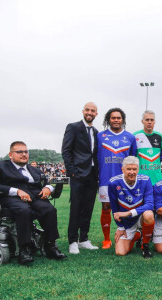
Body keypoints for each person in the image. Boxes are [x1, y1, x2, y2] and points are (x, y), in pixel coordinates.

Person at [0, 141, 66, 265]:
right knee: (24, 210)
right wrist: (17, 191)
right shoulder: (1, 166)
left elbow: (46, 183)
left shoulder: (34, 170)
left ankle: (50, 246)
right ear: (10, 155)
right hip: (12, 198)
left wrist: (47, 188)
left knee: (50, 210)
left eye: (26, 152)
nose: (24, 154)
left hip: (35, 197)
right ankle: (24, 250)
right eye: (19, 152)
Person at [62, 102, 99, 254]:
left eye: (93, 111)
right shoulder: (73, 127)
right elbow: (66, 150)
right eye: (88, 110)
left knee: (88, 208)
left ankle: (83, 239)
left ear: (96, 114)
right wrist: (72, 171)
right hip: (78, 174)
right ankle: (72, 241)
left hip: (92, 174)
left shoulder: (97, 132)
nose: (90, 112)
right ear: (83, 111)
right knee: (76, 208)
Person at [97, 107, 137, 249]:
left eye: (118, 118)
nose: (116, 120)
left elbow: (133, 159)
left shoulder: (130, 137)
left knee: (128, 206)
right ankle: (106, 239)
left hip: (125, 180)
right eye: (113, 118)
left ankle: (131, 234)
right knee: (106, 207)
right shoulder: (100, 136)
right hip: (105, 177)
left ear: (123, 120)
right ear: (108, 119)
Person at [108, 156, 154, 258]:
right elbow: (114, 208)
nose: (132, 172)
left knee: (149, 214)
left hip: (140, 217)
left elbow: (150, 205)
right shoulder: (113, 183)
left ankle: (145, 246)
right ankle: (136, 235)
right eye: (128, 169)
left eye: (134, 169)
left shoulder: (145, 180)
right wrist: (120, 227)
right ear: (123, 169)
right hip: (126, 222)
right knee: (121, 252)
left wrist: (129, 212)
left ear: (138, 169)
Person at [134, 110, 162, 185]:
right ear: (142, 121)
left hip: (157, 180)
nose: (149, 122)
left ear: (154, 122)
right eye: (147, 120)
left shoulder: (159, 136)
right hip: (140, 180)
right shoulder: (135, 135)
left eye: (152, 120)